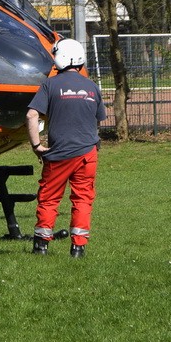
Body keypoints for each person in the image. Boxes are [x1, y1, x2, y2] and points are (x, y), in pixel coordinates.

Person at [26, 38, 106, 258]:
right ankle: (78, 248)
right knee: (82, 198)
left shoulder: (49, 85)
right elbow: (98, 119)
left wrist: (36, 145)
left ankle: (41, 245)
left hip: (59, 153)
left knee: (50, 198)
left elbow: (32, 115)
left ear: (59, 59)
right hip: (88, 153)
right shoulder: (92, 87)